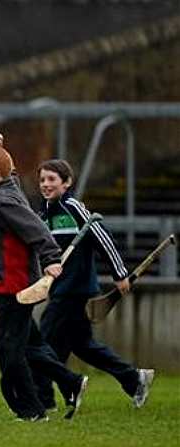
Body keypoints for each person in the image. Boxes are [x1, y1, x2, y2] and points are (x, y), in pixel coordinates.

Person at [0, 133, 88, 421]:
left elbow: (35, 228)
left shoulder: (3, 201)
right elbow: (5, 174)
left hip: (16, 285)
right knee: (31, 346)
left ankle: (31, 410)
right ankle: (71, 383)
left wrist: (50, 258)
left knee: (8, 350)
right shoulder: (5, 188)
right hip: (8, 280)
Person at [32, 159, 154, 409]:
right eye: (42, 179)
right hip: (59, 288)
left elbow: (102, 238)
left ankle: (44, 401)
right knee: (82, 345)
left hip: (75, 289)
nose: (45, 184)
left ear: (66, 183)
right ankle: (133, 379)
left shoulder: (73, 207)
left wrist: (119, 274)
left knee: (41, 343)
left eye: (52, 179)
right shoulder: (43, 212)